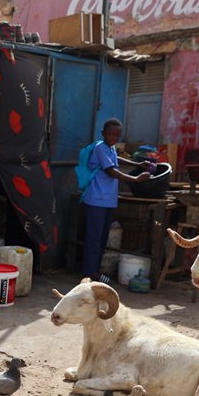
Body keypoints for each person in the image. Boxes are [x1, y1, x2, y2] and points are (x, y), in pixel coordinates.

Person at [81, 118, 151, 283]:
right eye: (111, 134)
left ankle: (95, 271)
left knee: (103, 238)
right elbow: (111, 170)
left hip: (107, 201)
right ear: (103, 133)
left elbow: (116, 160)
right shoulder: (100, 148)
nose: (114, 138)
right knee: (94, 238)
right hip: (96, 200)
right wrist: (136, 179)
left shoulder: (110, 148)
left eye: (117, 135)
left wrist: (138, 164)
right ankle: (89, 273)